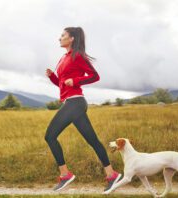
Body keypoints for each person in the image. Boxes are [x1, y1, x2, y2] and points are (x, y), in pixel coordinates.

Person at [44, 27, 123, 193]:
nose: (59, 38)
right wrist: (53, 76)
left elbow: (95, 76)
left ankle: (65, 175)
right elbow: (62, 84)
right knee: (93, 141)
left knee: (50, 136)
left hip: (75, 103)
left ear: (72, 38)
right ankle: (112, 175)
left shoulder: (77, 55)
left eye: (63, 35)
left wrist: (77, 80)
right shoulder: (63, 58)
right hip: (71, 102)